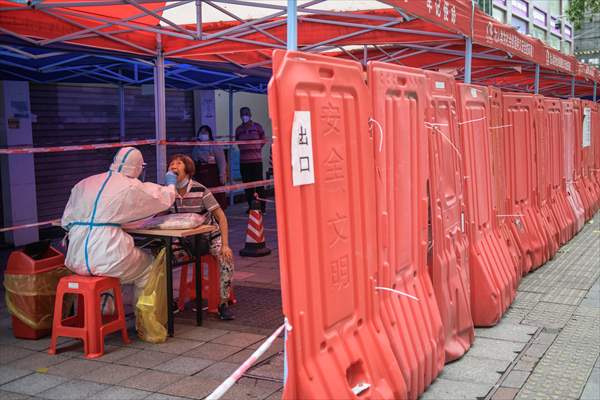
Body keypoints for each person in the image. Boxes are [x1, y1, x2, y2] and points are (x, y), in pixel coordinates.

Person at [61, 147, 178, 305]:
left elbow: (66, 222)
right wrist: (171, 185)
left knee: (110, 269)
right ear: (138, 167)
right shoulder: (131, 186)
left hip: (75, 257)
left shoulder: (84, 183)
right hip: (107, 258)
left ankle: (104, 312)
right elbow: (160, 198)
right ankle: (145, 322)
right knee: (149, 266)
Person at [167, 154, 235, 320]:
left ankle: (223, 303)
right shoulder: (167, 193)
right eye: (171, 164)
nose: (173, 166)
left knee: (226, 258)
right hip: (185, 242)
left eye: (178, 163)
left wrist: (225, 244)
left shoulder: (201, 190)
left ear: (188, 170)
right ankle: (168, 301)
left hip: (209, 239)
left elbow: (221, 217)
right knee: (161, 258)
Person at [235, 106, 266, 213]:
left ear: (250, 114)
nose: (245, 116)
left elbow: (263, 140)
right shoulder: (238, 129)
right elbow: (238, 143)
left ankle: (262, 207)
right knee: (247, 186)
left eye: (246, 113)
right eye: (242, 114)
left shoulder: (257, 127)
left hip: (256, 161)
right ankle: (251, 207)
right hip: (244, 162)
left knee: (259, 185)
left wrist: (255, 149)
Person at [191, 125, 228, 209]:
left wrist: (222, 175)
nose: (203, 134)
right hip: (200, 174)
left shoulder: (215, 146)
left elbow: (221, 161)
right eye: (202, 132)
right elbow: (194, 160)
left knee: (215, 196)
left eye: (205, 132)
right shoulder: (196, 146)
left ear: (209, 134)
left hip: (212, 174)